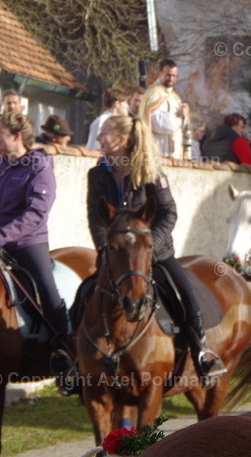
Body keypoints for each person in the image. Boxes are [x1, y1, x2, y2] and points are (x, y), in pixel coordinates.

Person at [86, 115, 225, 378]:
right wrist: (104, 249)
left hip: (155, 254)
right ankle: (74, 360)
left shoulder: (151, 173)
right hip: (116, 259)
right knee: (83, 297)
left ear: (122, 139)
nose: (98, 138)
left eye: (104, 133)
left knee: (186, 295)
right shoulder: (96, 174)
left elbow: (168, 213)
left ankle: (201, 353)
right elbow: (95, 217)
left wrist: (149, 247)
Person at [0, 112, 72, 377]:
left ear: (16, 136)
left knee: (47, 289)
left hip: (26, 243)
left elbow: (36, 213)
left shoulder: (39, 166)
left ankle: (63, 351)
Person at [141, 59, 190, 158]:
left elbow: (183, 127)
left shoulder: (175, 97)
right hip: (158, 150)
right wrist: (177, 116)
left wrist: (185, 117)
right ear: (160, 73)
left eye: (174, 76)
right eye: (168, 75)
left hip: (175, 153)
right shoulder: (153, 93)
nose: (171, 79)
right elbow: (154, 121)